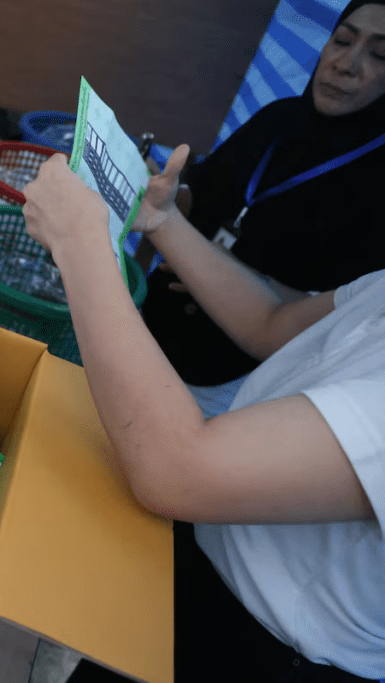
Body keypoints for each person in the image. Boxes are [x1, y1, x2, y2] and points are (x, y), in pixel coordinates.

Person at [21, 127, 384, 678]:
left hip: (266, 650)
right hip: (202, 559)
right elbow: (273, 324)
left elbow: (176, 469)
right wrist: (164, 222)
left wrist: (79, 242)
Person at [141, 0, 385, 415]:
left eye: (380, 55)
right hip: (148, 330)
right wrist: (152, 186)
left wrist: (229, 274)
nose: (346, 64)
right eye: (341, 40)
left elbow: (349, 313)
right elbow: (198, 196)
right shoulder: (279, 118)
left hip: (232, 386)